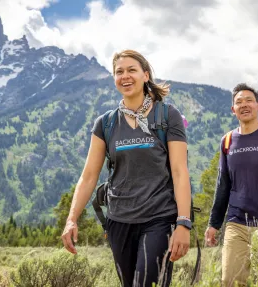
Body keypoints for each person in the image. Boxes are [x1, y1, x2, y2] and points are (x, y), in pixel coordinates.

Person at [61, 49, 192, 287]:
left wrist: (184, 222)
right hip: (118, 220)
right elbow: (89, 176)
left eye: (132, 70)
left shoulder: (166, 115)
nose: (125, 76)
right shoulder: (106, 123)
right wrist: (71, 219)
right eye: (119, 72)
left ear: (145, 75)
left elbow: (180, 171)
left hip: (159, 218)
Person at [204, 83, 258, 286]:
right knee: (230, 280)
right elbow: (223, 185)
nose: (244, 105)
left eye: (249, 101)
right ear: (232, 109)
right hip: (237, 222)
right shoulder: (227, 141)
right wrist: (214, 224)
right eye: (239, 102)